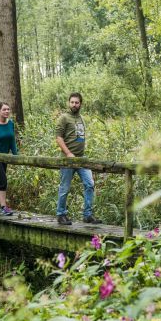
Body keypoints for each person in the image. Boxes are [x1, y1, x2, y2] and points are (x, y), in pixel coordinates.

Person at [56, 92, 102, 225]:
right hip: (67, 160)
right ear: (69, 103)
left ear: (80, 104)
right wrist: (68, 153)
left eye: (76, 102)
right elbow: (59, 138)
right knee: (65, 187)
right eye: (72, 102)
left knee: (89, 184)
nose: (74, 105)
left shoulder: (81, 118)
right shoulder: (64, 118)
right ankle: (61, 214)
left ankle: (87, 215)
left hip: (81, 159)